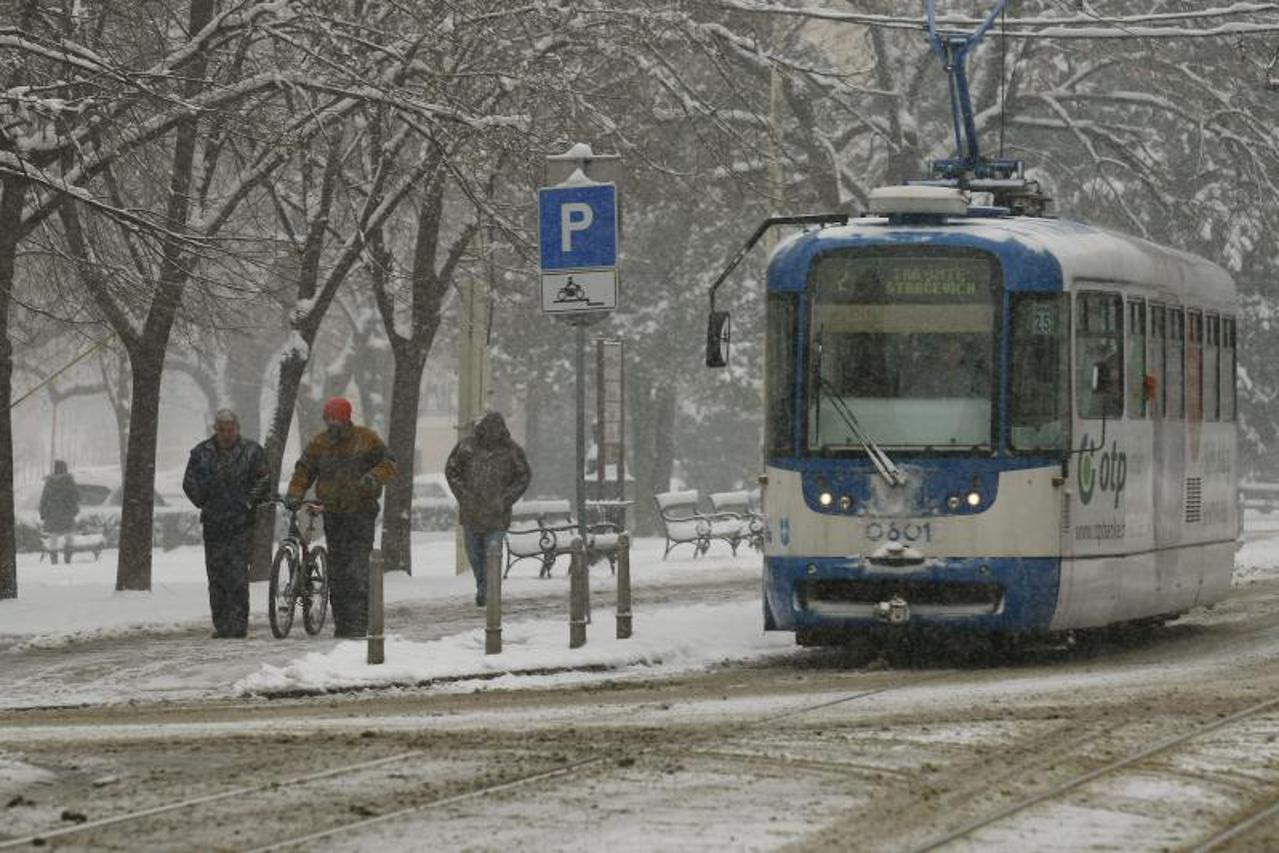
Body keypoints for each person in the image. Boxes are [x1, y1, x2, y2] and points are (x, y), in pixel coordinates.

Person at [285, 397, 396, 638]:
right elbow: (304, 469)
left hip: (361, 512)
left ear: (347, 418)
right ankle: (343, 623)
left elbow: (389, 463)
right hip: (334, 513)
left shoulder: (366, 439)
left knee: (357, 569)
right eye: (329, 418)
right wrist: (295, 493)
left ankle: (359, 622)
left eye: (337, 417)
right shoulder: (320, 443)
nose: (332, 422)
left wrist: (374, 477)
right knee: (337, 570)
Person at [183, 410, 271, 638]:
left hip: (241, 522)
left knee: (238, 574)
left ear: (237, 428)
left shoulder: (252, 451)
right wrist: (204, 500)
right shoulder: (201, 453)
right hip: (213, 522)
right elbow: (189, 481)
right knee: (216, 574)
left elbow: (264, 480)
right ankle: (221, 623)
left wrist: (249, 502)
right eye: (221, 429)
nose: (226, 434)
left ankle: (238, 623)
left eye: (230, 429)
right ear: (215, 430)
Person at [445, 411, 531, 607]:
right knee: (474, 556)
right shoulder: (466, 447)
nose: (492, 434)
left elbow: (524, 476)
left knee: (492, 555)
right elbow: (452, 471)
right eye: (488, 430)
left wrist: (506, 498)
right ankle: (484, 586)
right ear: (482, 429)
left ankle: (489, 591)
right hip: (471, 514)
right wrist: (463, 494)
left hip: (497, 516)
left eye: (496, 431)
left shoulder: (511, 450)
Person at [39, 460, 80, 565]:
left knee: (53, 538)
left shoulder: (50, 482)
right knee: (69, 537)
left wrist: (43, 513)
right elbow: (76, 497)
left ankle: (54, 561)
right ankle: (68, 559)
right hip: (67, 514)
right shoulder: (69, 481)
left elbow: (44, 498)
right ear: (65, 469)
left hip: (53, 514)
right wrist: (74, 510)